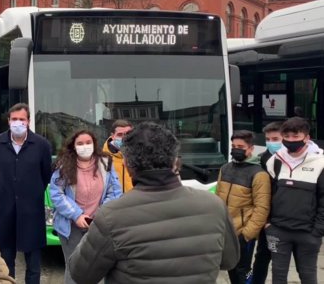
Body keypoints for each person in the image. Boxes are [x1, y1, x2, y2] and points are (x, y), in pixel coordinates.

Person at [68, 122, 239, 284]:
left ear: (127, 165)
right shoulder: (214, 205)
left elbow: (81, 274)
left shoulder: (111, 215)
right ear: (174, 161)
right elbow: (229, 260)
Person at [49, 130, 122, 284]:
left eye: (88, 143)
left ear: (94, 144)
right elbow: (57, 194)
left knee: (97, 266)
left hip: (97, 225)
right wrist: (76, 215)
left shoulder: (105, 162)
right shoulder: (64, 165)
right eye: (80, 144)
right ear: (73, 146)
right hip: (70, 226)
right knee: (74, 267)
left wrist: (100, 214)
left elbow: (115, 191)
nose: (85, 146)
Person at [0, 103, 52, 284]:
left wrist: (30, 192)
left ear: (28, 121)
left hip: (32, 211)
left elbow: (45, 176)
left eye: (22, 119)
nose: (18, 122)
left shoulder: (41, 145)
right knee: (6, 262)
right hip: (5, 211)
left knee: (33, 264)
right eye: (14, 119)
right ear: (8, 121)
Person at [265, 117, 324, 284]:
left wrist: (317, 231)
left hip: (308, 233)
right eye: (287, 136)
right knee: (278, 275)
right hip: (278, 230)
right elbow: (267, 194)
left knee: (308, 276)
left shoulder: (321, 163)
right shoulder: (275, 161)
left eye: (295, 136)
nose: (290, 141)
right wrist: (268, 223)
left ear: (307, 138)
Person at [215, 130, 271, 284]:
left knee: (242, 272)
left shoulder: (259, 174)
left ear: (251, 148)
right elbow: (217, 198)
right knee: (230, 268)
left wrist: (247, 235)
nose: (236, 149)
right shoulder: (225, 168)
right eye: (233, 146)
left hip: (242, 234)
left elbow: (262, 208)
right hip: (224, 230)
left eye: (240, 146)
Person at [251, 121, 283, 284]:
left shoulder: (296, 160)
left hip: (291, 219)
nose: (271, 143)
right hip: (268, 220)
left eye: (275, 138)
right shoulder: (263, 158)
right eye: (268, 139)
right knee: (262, 257)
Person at [102, 119, 134, 193]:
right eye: (120, 134)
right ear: (112, 136)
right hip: (114, 203)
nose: (124, 138)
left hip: (136, 202)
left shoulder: (141, 157)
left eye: (128, 134)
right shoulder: (102, 159)